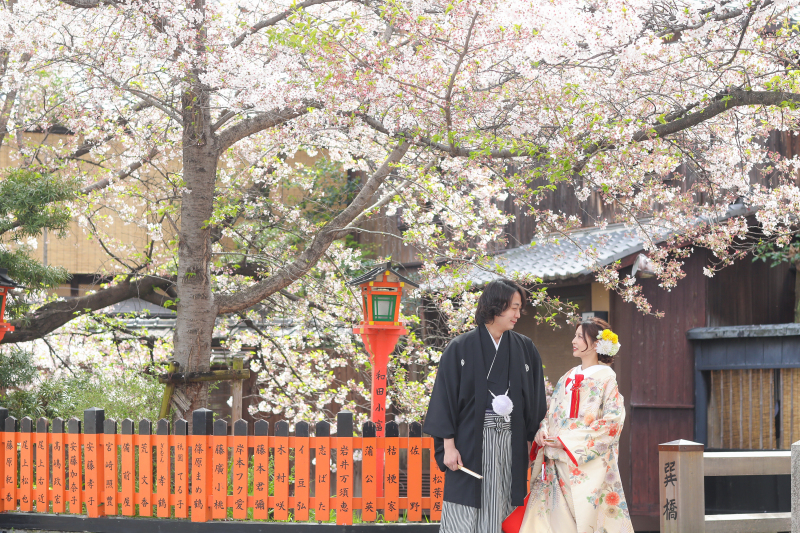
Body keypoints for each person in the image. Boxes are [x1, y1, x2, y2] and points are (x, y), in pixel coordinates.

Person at [424, 280, 547, 533]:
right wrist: (448, 446)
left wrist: (528, 442)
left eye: (519, 308)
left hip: (511, 442)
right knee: (466, 503)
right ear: (496, 306)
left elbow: (534, 399)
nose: (517, 314)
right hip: (470, 442)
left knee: (505, 502)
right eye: (513, 307)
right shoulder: (460, 347)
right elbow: (445, 397)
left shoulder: (525, 348)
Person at [519, 317, 633, 533]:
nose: (574, 340)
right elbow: (552, 413)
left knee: (585, 518)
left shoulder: (607, 378)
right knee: (554, 521)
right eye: (575, 335)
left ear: (597, 344)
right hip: (556, 458)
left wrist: (568, 441)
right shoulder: (567, 377)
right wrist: (543, 432)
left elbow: (613, 421)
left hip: (583, 461)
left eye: (580, 336)